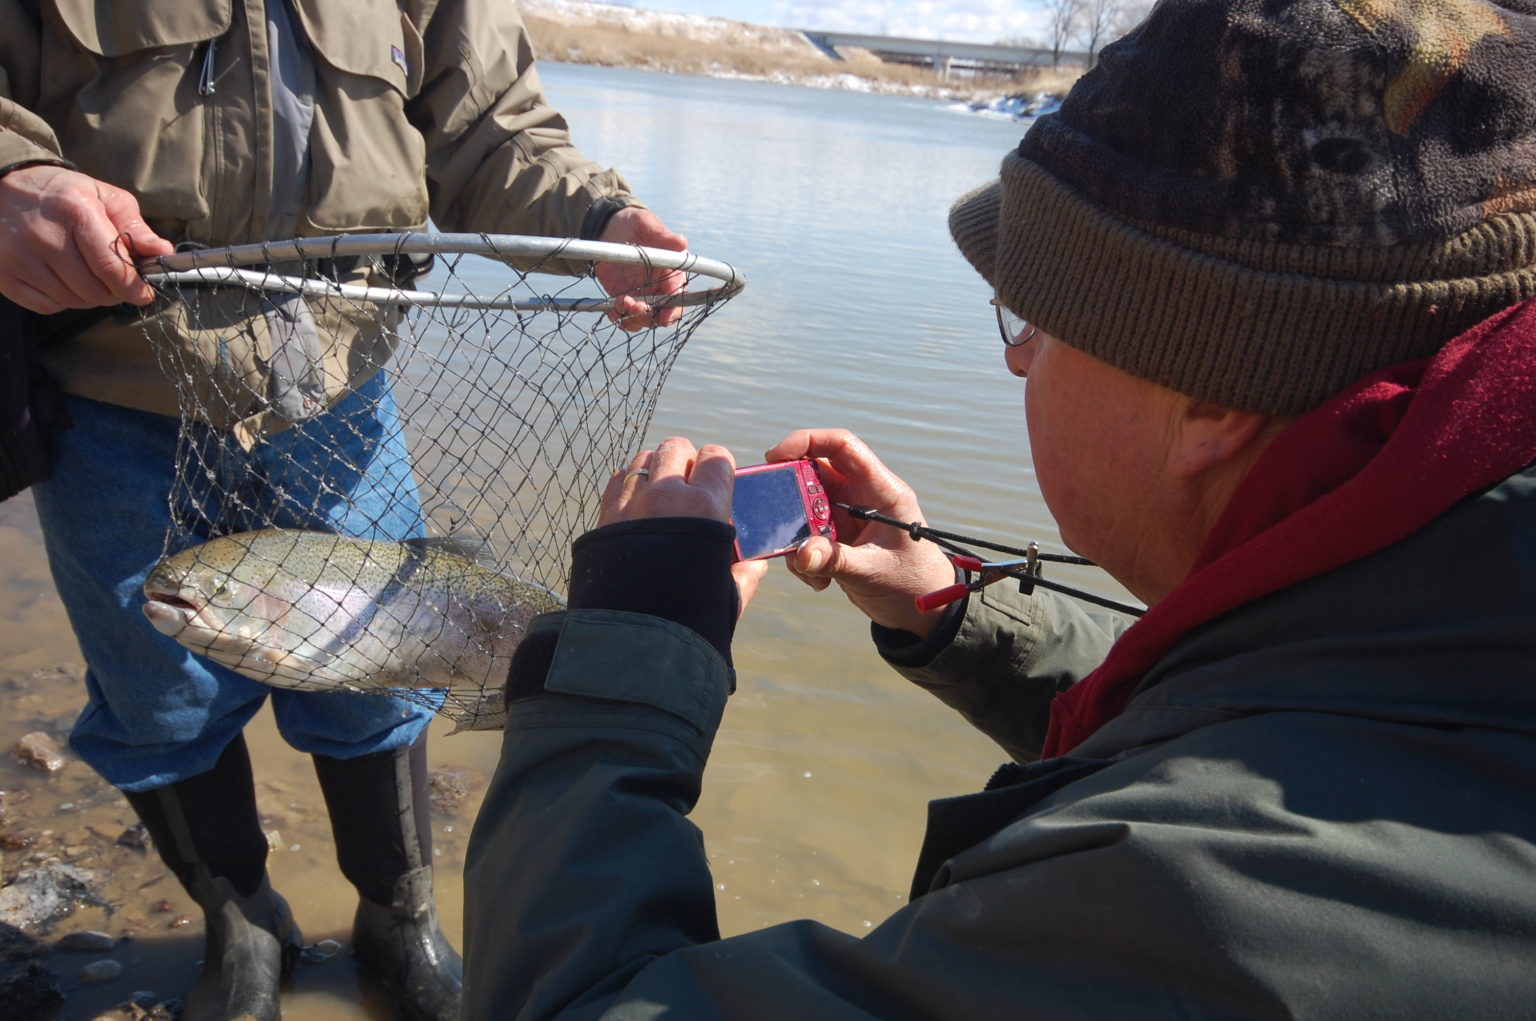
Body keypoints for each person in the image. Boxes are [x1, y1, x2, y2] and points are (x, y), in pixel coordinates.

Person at [461, 0, 1536, 1016]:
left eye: (1031, 318)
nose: (1019, 360)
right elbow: (1263, 712)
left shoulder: (1204, 900)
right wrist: (957, 609)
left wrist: (624, 658)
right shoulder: (1451, 601)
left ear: (1206, 398)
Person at [0, 3, 687, 1019]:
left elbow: (490, 123)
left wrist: (597, 221)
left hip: (339, 384)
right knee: (159, 700)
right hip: (106, 391)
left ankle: (397, 913)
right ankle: (242, 922)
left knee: (384, 673)